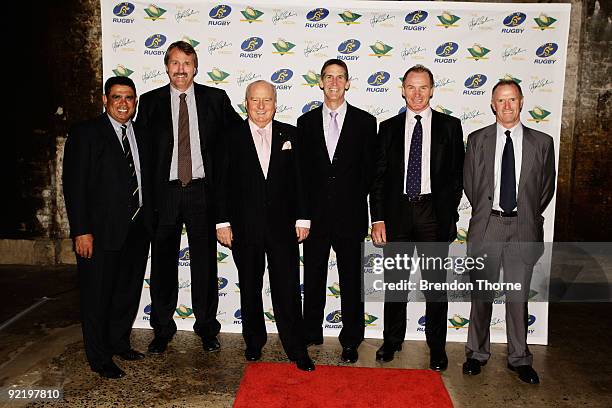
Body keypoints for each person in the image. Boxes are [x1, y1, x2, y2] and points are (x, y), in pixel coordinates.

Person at [137, 41, 242, 354]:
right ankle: (162, 329)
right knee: (163, 266)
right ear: (167, 67)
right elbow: (141, 151)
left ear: (195, 67)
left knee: (205, 265)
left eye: (186, 63)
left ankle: (207, 328)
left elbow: (240, 136)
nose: (180, 69)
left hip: (202, 192)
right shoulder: (150, 101)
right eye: (175, 63)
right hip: (165, 194)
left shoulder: (215, 99)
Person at [215, 80, 314, 371]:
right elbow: (221, 184)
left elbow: (301, 181)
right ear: (246, 103)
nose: (261, 106)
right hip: (244, 229)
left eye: (267, 100)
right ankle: (254, 343)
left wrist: (303, 218)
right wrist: (222, 222)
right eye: (255, 100)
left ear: (275, 103)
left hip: (283, 229)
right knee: (249, 286)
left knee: (287, 289)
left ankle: (296, 348)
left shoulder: (291, 135)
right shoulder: (229, 136)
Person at [370, 64, 464, 371]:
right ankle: (392, 340)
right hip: (397, 215)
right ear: (402, 89)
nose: (417, 93)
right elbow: (378, 179)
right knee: (395, 284)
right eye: (411, 87)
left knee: (435, 286)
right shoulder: (388, 128)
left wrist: (448, 217)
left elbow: (456, 177)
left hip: (432, 216)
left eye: (423, 87)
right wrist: (378, 218)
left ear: (432, 90)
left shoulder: (450, 127)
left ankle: (437, 346)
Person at [462, 79, 555, 384]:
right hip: (488, 225)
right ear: (492, 104)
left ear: (521, 101)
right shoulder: (477, 140)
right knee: (481, 296)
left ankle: (519, 358)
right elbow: (472, 186)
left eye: (512, 99)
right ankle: (476, 353)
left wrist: (523, 213)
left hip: (522, 227)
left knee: (518, 298)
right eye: (501, 101)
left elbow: (545, 189)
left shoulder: (542, 143)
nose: (507, 106)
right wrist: (491, 213)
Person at [63, 76, 150, 378]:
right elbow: (74, 187)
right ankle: (99, 358)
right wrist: (81, 230)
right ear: (105, 100)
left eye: (129, 97)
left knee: (126, 293)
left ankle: (118, 342)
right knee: (97, 296)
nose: (123, 103)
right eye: (117, 97)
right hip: (98, 234)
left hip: (137, 230)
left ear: (135, 101)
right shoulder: (86, 133)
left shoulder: (141, 132)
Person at [297, 59, 377, 363]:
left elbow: (371, 172)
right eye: (328, 77)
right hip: (314, 218)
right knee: (313, 276)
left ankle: (351, 339)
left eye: (339, 77)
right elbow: (301, 176)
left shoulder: (365, 122)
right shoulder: (304, 124)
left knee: (351, 282)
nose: (333, 82)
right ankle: (311, 332)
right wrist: (302, 214)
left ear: (348, 82)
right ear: (320, 82)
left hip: (351, 216)